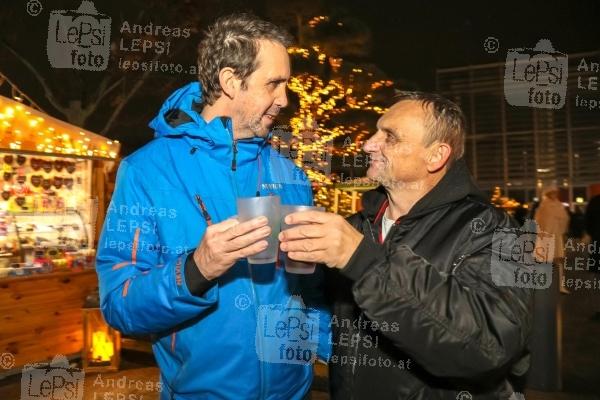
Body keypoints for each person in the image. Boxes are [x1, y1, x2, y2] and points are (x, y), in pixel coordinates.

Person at [96, 14, 330, 399]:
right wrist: (195, 270)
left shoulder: (291, 175)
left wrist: (348, 353)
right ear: (230, 82)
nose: (285, 99)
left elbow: (308, 290)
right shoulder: (145, 172)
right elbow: (119, 306)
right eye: (273, 84)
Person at [279, 92, 533, 399]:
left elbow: (489, 346)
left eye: (390, 137)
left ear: (436, 156)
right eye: (376, 132)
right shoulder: (355, 228)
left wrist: (364, 262)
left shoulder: (493, 230)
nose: (368, 144)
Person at [534, 185, 570, 294]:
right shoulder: (543, 206)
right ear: (549, 194)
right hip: (546, 237)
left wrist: (562, 229)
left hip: (557, 235)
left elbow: (565, 219)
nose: (554, 195)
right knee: (545, 261)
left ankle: (561, 286)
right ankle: (542, 284)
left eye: (555, 193)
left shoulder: (559, 205)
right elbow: (538, 221)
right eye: (552, 193)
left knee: (559, 260)